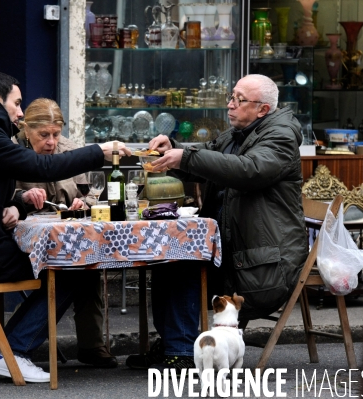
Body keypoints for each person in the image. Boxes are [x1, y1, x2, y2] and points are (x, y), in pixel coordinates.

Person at [0, 72, 130, 382]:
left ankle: (9, 348)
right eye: (17, 103)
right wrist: (99, 151)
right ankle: (11, 349)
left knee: (65, 262)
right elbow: (41, 167)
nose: (21, 112)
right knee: (69, 266)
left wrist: (19, 203)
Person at [126, 74, 307, 373]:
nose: (230, 104)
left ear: (262, 109)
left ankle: (182, 350)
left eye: (239, 100)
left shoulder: (281, 137)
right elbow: (210, 155)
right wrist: (172, 148)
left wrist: (184, 158)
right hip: (236, 245)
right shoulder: (241, 132)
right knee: (168, 254)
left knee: (184, 259)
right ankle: (176, 342)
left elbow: (248, 170)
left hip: (264, 260)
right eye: (231, 96)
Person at [12, 98, 116, 367]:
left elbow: (93, 192)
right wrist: (21, 196)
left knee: (88, 259)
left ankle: (92, 345)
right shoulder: (10, 150)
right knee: (75, 268)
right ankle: (15, 344)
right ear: (26, 129)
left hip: (69, 234)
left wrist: (85, 203)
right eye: (43, 135)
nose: (50, 142)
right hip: (25, 242)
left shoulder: (70, 149)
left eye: (55, 134)